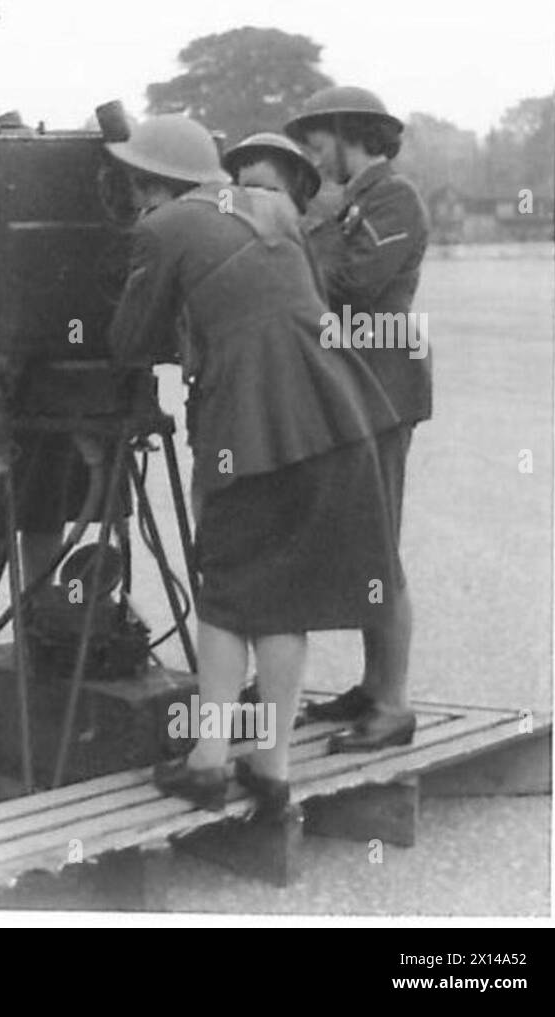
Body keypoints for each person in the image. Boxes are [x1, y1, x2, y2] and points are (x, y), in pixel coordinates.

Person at [105, 115, 403, 813]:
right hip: (337, 416)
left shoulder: (164, 226)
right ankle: (270, 770)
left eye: (136, 183)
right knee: (282, 600)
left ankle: (208, 760)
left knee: (227, 590)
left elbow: (128, 341)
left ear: (154, 183)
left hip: (253, 429)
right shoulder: (273, 206)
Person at [285, 86, 430, 752]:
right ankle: (374, 687)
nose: (315, 159)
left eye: (318, 144)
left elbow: (350, 287)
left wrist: (308, 227)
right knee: (367, 539)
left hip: (383, 388)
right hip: (357, 387)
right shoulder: (357, 203)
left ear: (351, 132)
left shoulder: (391, 198)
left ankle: (393, 704)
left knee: (382, 544)